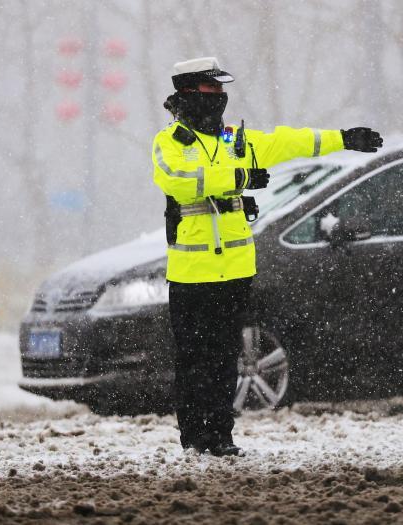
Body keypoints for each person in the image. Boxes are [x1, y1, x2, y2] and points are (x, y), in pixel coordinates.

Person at [151, 56, 383, 456]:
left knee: (226, 358)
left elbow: (286, 142)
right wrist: (238, 178)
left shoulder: (232, 140)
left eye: (223, 91)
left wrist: (343, 138)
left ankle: (220, 438)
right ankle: (194, 440)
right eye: (212, 90)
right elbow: (181, 182)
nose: (220, 97)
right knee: (194, 361)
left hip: (236, 270)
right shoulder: (170, 143)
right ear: (189, 93)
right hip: (192, 273)